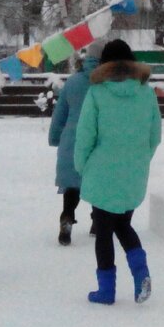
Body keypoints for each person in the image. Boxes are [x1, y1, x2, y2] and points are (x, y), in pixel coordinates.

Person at [74, 39, 161, 305]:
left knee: (103, 232)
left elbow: (85, 135)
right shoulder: (146, 93)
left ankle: (106, 290)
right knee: (123, 224)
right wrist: (141, 159)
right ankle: (141, 274)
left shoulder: (97, 93)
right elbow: (155, 135)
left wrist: (82, 166)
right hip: (133, 172)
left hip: (102, 172)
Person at [47, 40, 105, 245]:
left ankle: (67, 217)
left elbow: (59, 114)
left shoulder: (73, 82)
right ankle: (97, 222)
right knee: (99, 183)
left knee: (72, 186)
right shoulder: (106, 83)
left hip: (71, 141)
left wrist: (54, 137)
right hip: (98, 142)